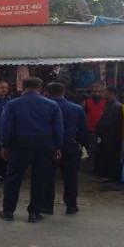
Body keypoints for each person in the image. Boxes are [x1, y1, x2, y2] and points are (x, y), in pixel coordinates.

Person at [0, 77, 63, 223]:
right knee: (40, 178)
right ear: (40, 88)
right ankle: (34, 212)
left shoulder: (12, 104)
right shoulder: (52, 104)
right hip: (45, 143)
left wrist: (4, 145)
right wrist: (58, 146)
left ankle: (8, 211)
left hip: (20, 144)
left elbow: (6, 127)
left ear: (22, 87)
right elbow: (58, 128)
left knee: (13, 177)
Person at [43, 82, 87, 215]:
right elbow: (83, 130)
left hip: (50, 145)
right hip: (71, 145)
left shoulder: (44, 107)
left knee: (47, 177)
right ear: (64, 92)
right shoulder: (77, 108)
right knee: (71, 177)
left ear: (47, 92)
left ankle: (47, 206)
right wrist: (81, 146)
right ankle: (71, 205)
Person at [94, 86, 124, 185]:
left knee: (113, 158)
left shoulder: (116, 106)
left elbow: (108, 122)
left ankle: (115, 179)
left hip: (113, 137)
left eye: (103, 91)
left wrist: (99, 129)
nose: (101, 93)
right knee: (107, 157)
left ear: (110, 93)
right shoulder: (109, 104)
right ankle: (110, 177)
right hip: (107, 136)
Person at [83, 81, 105, 170]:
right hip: (89, 128)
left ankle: (99, 167)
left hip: (102, 128)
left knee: (100, 148)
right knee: (91, 148)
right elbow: (84, 112)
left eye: (97, 87)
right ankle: (91, 167)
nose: (95, 89)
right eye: (93, 87)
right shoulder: (86, 100)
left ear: (102, 88)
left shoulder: (106, 100)